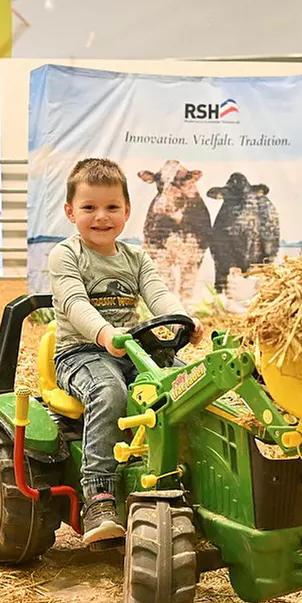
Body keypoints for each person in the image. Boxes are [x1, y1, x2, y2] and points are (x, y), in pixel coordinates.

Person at [48, 158, 203, 544]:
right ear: (70, 212)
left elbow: (159, 294)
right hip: (81, 353)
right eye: (89, 208)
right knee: (110, 391)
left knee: (186, 384)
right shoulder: (66, 255)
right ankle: (98, 495)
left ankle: (185, 473)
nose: (101, 217)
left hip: (132, 351)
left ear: (127, 211)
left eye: (112, 207)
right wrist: (105, 334)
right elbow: (73, 303)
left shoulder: (136, 258)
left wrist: (185, 318)